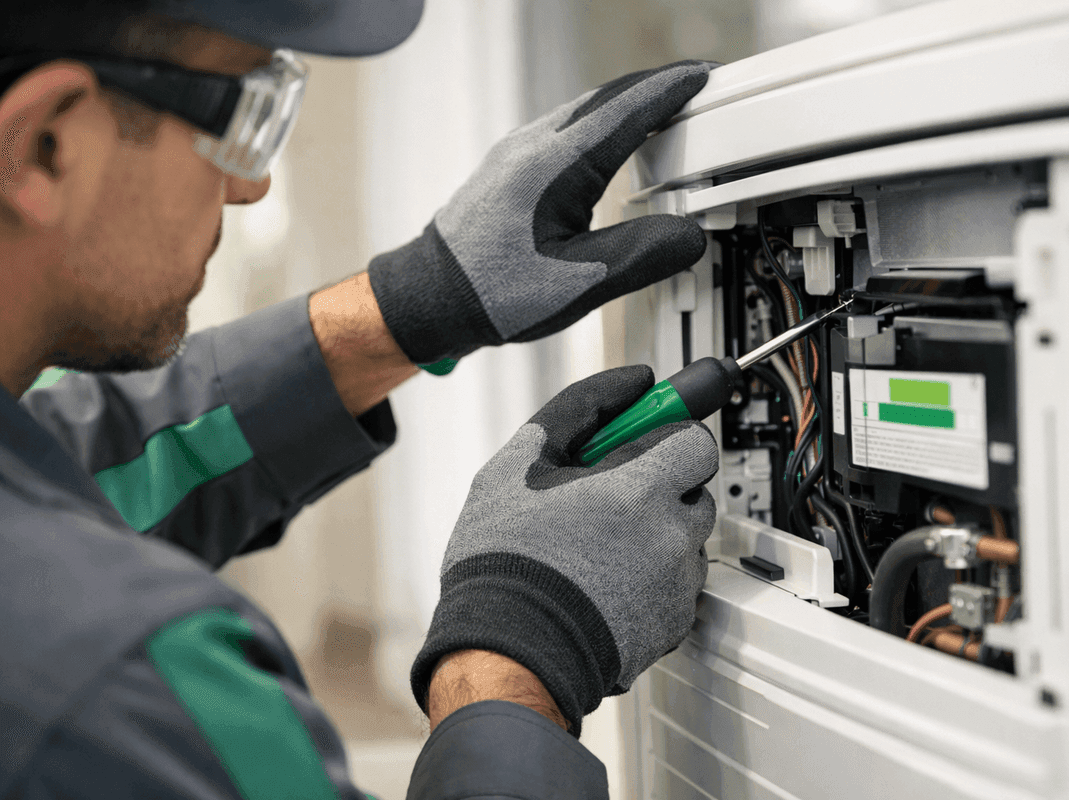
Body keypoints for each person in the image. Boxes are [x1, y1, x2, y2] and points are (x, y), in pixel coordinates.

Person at [0, 1, 719, 798]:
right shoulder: (118, 689)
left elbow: (70, 463)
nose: (249, 186)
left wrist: (413, 304)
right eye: (241, 112)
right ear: (47, 145)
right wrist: (515, 655)